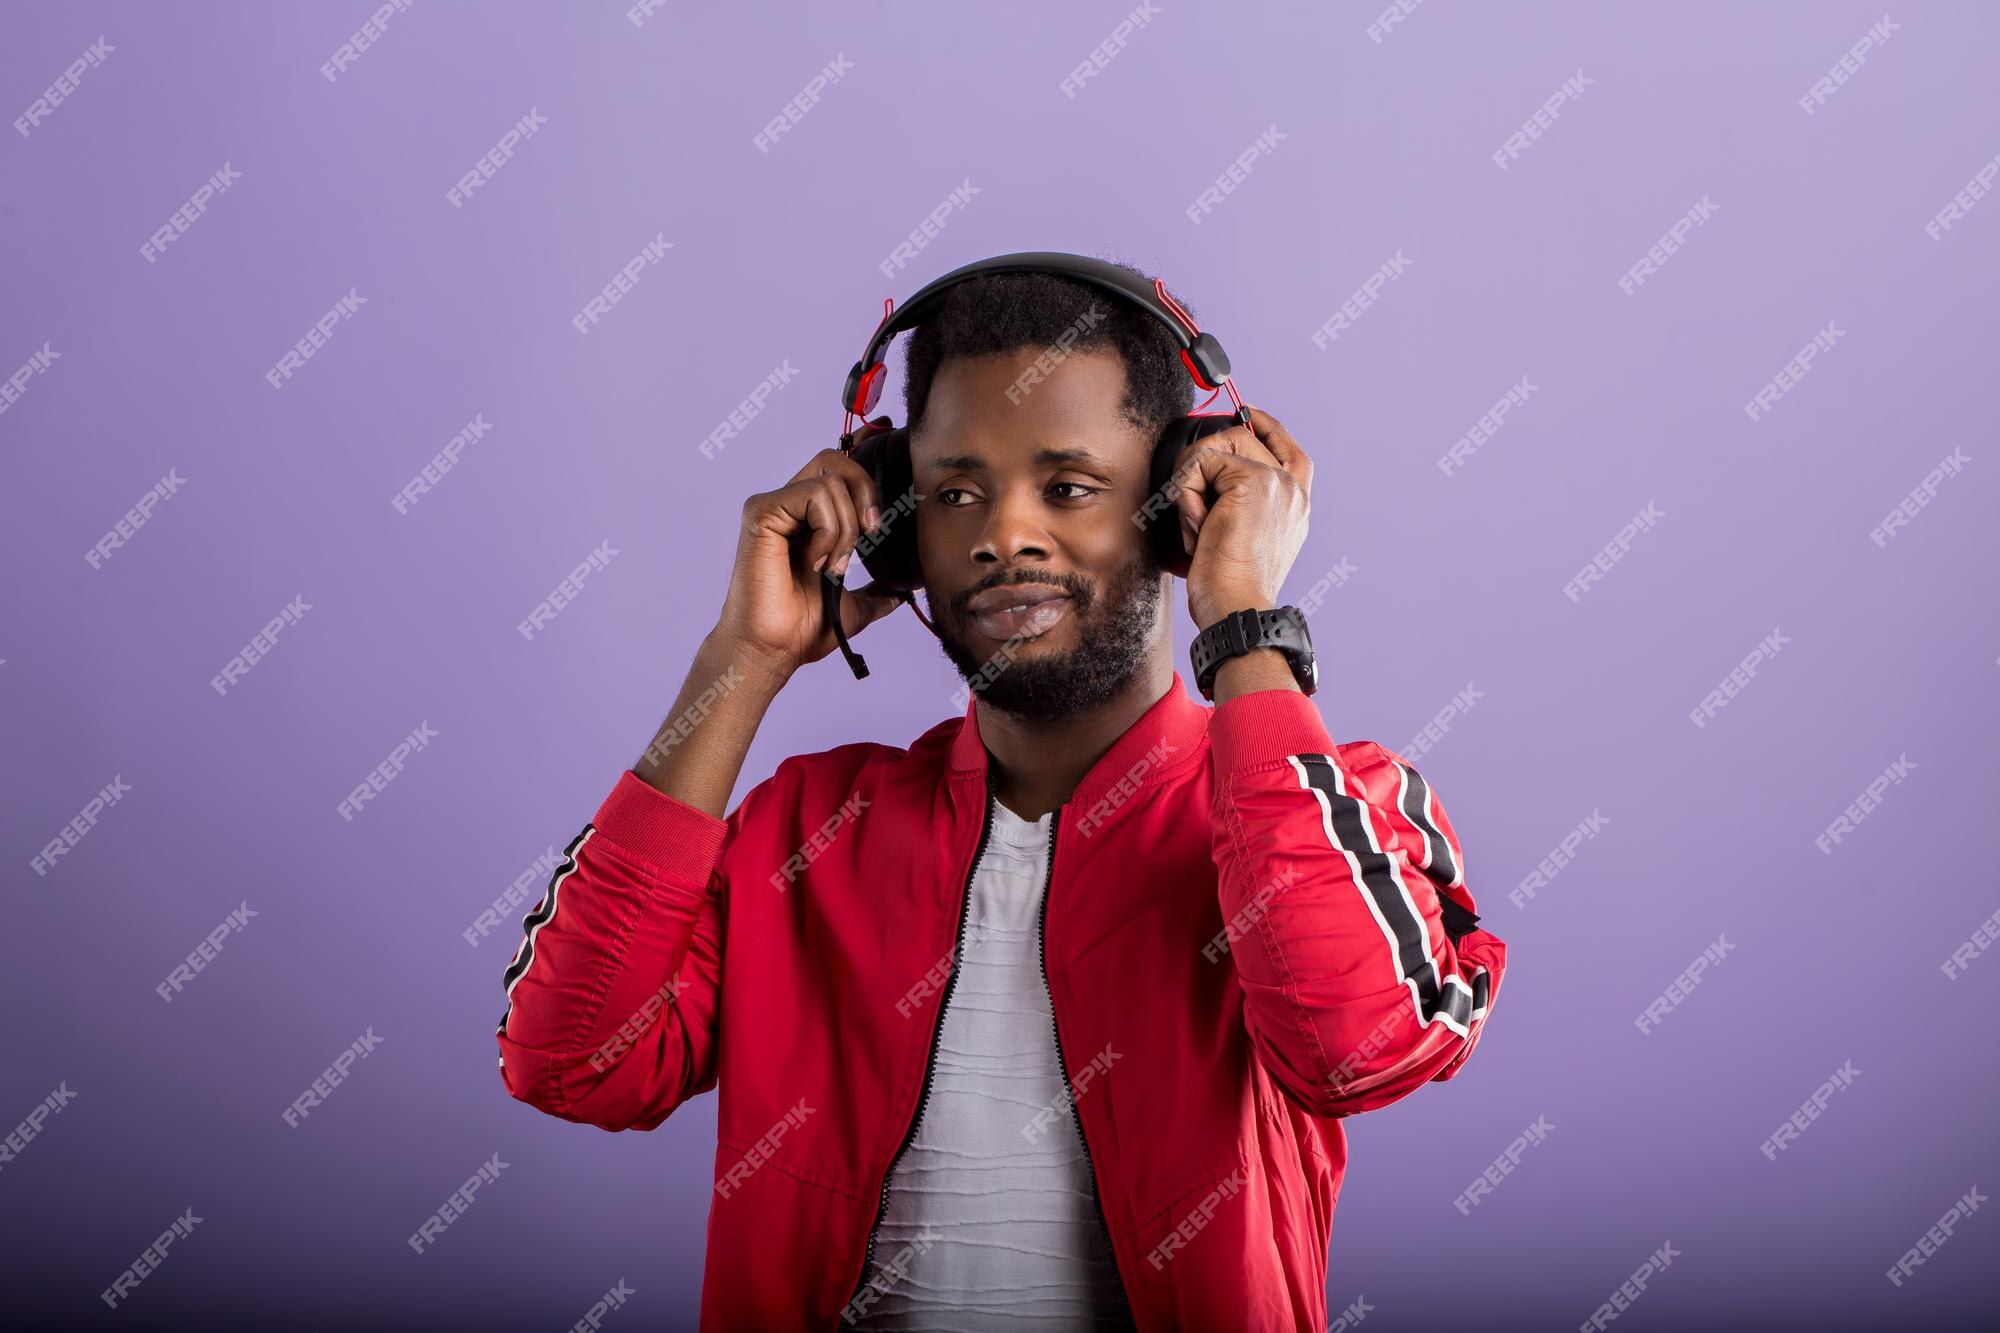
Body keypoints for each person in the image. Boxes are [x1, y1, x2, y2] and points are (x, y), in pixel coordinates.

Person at [495, 257, 1509, 1331]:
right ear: (892, 528)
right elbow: (572, 1060)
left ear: (1179, 514)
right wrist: (743, 658)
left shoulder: (1324, 801)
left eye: (1067, 487)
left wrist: (1242, 613)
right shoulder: (803, 830)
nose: (1001, 535)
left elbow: (1355, 1047)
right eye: (952, 493)